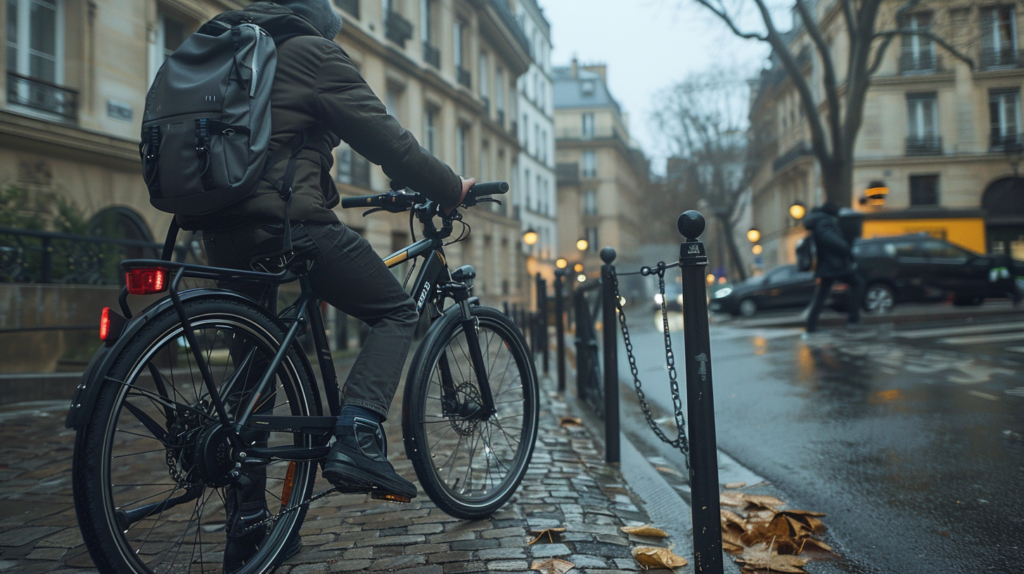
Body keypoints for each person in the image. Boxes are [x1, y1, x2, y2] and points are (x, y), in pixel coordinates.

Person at [175, 1, 474, 570]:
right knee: (396, 313)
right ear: (322, 25)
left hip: (219, 231)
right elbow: (390, 143)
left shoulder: (237, 53)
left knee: (253, 379)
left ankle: (252, 532)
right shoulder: (311, 52)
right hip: (286, 226)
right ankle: (359, 434)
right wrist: (452, 187)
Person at [802, 202, 865, 333]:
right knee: (858, 283)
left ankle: (811, 325)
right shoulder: (824, 222)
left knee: (822, 296)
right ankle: (853, 319)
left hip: (830, 266)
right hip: (834, 265)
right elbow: (830, 239)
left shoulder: (819, 221)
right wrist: (844, 246)